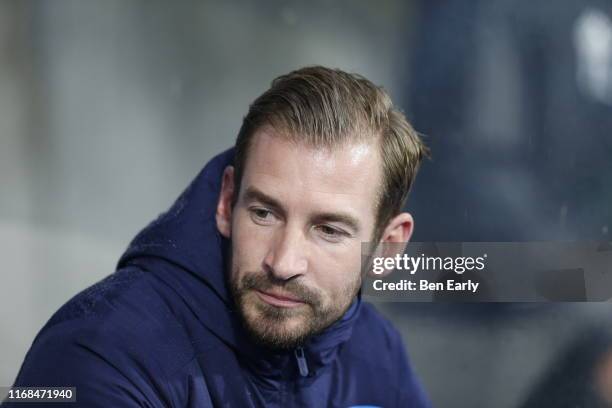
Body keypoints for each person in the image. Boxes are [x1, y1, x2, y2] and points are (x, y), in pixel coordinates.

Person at [6, 66, 430, 407]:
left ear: (388, 246)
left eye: (328, 231)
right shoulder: (101, 352)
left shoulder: (377, 355)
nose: (283, 263)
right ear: (227, 202)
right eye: (264, 213)